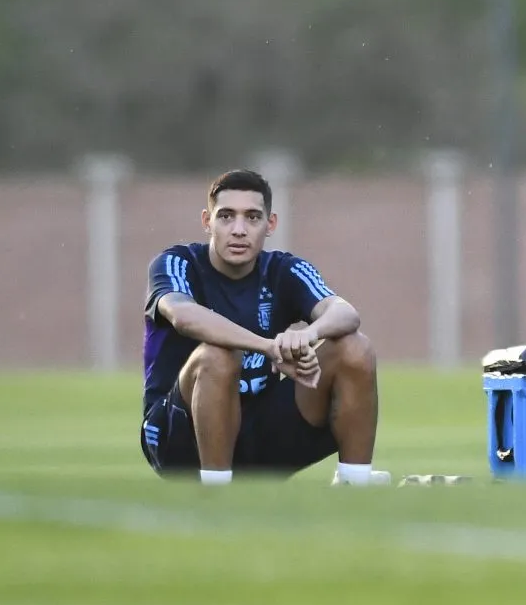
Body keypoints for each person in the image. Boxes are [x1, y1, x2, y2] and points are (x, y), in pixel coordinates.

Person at [140, 169, 387, 486]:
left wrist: (305, 337)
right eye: (226, 216)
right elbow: (185, 317)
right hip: (179, 439)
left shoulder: (283, 269)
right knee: (218, 356)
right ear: (207, 221)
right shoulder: (176, 263)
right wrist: (268, 346)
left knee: (355, 347)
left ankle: (355, 483)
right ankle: (216, 492)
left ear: (270, 225)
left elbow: (344, 312)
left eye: (252, 218)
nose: (239, 230)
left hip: (259, 433)